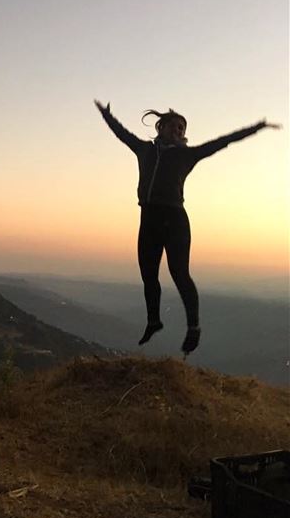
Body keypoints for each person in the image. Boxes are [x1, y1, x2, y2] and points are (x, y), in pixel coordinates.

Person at [94, 100, 281, 355]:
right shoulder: (145, 150)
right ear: (161, 127)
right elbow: (121, 134)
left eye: (183, 127)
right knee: (148, 275)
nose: (179, 130)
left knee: (179, 273)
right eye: (174, 125)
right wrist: (107, 114)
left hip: (175, 220)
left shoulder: (187, 155)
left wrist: (257, 127)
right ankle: (154, 321)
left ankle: (193, 327)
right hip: (148, 219)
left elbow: (222, 141)